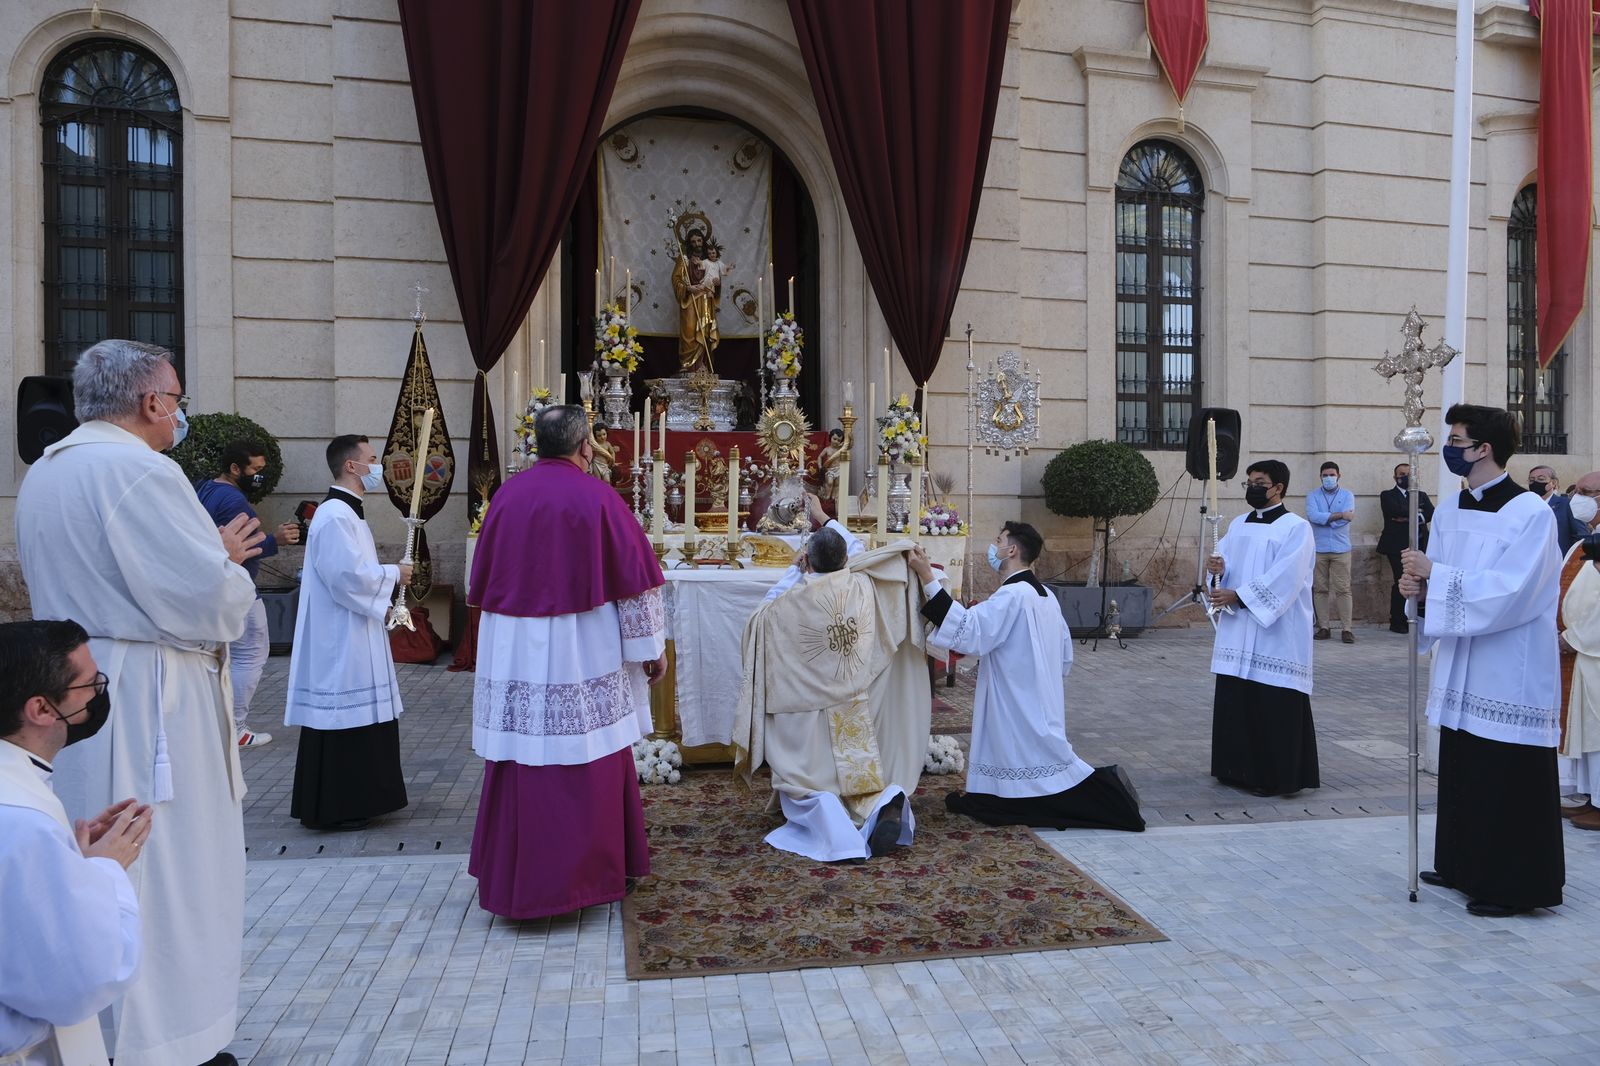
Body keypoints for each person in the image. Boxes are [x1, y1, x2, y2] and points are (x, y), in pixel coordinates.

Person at [15, 338, 261, 1066]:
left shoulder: (48, 470)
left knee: (102, 861)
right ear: (152, 402)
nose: (179, 412)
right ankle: (172, 1043)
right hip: (153, 700)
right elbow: (211, 603)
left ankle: (109, 1039)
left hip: (86, 685)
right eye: (177, 398)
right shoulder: (140, 472)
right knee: (168, 872)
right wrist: (227, 559)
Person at [467, 405, 668, 918]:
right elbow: (635, 582)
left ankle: (518, 880)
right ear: (585, 447)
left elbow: (486, 578)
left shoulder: (507, 496)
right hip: (580, 649)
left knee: (520, 756)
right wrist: (650, 651)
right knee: (587, 751)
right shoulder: (598, 496)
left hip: (515, 649)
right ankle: (579, 881)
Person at [1402, 403, 1563, 917]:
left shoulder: (1530, 514)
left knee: (1503, 773)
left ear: (1484, 449)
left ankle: (1510, 884)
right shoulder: (1449, 510)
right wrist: (1418, 589)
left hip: (1507, 665)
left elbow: (1515, 591)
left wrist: (1437, 577)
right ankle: (1460, 863)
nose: (1450, 448)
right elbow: (1436, 579)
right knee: (1464, 766)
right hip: (1462, 662)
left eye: (1457, 440)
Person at [910, 523, 1144, 831]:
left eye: (998, 541)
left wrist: (927, 576)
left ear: (1012, 550)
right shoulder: (1045, 594)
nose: (993, 547)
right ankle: (993, 796)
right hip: (1038, 693)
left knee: (1022, 755)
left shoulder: (1012, 596)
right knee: (1029, 758)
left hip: (1015, 695)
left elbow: (968, 632)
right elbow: (1064, 655)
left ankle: (1102, 796)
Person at [735, 495, 929, 860]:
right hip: (856, 703)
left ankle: (837, 835)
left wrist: (797, 571)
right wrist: (826, 519)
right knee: (862, 778)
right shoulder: (866, 584)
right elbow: (855, 547)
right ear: (845, 561)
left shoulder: (786, 604)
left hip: (809, 710)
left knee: (809, 787)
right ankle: (883, 801)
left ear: (807, 560)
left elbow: (757, 621)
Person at [1, 619, 148, 1066]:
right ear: (43, 710)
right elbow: (79, 981)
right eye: (90, 684)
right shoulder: (23, 820)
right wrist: (103, 872)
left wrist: (71, 868)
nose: (100, 692)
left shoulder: (18, 788)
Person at [283, 435, 412, 832]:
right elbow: (345, 576)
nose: (378, 468)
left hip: (354, 628)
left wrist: (385, 603)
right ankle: (340, 804)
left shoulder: (346, 512)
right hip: (340, 638)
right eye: (372, 460)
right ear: (351, 467)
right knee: (343, 719)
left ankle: (363, 798)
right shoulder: (336, 515)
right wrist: (394, 574)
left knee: (358, 719)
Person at [1206, 460, 1320, 797]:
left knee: (1271, 703)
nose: (1252, 488)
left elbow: (1287, 577)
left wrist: (1238, 596)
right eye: (1248, 483)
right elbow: (1221, 574)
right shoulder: (1239, 525)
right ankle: (1234, 769)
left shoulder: (1296, 528)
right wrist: (1217, 571)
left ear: (1278, 488)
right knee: (1238, 701)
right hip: (1239, 632)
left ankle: (1274, 776)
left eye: (1259, 482)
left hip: (1276, 635)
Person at [194, 437, 301, 749]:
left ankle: (220, 725)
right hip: (238, 590)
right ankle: (236, 728)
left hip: (215, 588)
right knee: (251, 654)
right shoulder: (234, 502)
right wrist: (276, 539)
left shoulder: (206, 488)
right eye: (255, 469)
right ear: (234, 468)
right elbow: (246, 549)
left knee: (224, 658)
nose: (260, 476)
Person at [1555, 473, 1600, 823]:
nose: (1577, 499)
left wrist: (1574, 637)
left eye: (1584, 493)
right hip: (1582, 656)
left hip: (1592, 650)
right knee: (1586, 728)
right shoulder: (1586, 541)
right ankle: (1590, 795)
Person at [1377, 463, 1434, 634]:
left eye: (1409, 474)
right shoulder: (1387, 495)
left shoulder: (1421, 495)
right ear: (1395, 477)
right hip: (1395, 546)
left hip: (1419, 545)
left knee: (1417, 581)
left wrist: (1408, 518)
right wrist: (1416, 514)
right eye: (1402, 474)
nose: (1405, 477)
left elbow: (1430, 512)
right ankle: (1397, 620)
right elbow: (1394, 510)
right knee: (1401, 580)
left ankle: (1414, 618)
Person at [1306, 460, 1356, 643]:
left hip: (1341, 549)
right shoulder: (1312, 496)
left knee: (1343, 589)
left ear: (1338, 476)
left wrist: (1328, 519)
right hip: (1318, 548)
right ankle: (1324, 627)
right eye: (1325, 475)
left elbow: (1347, 518)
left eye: (1332, 475)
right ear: (1320, 477)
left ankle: (1347, 629)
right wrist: (1339, 515)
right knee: (1320, 589)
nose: (1328, 478)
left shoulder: (1347, 495)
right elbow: (1313, 517)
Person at [673, 228, 720, 374]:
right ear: (689, 243)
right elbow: (676, 279)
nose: (696, 244)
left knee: (705, 332)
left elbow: (716, 278)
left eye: (699, 240)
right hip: (690, 301)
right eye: (693, 241)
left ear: (703, 241)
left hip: (706, 300)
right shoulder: (684, 258)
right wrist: (688, 288)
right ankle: (688, 365)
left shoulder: (709, 260)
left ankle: (704, 365)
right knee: (689, 331)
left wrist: (716, 283)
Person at [1530, 465, 1588, 556]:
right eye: (1532, 480)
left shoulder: (1567, 505)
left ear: (1553, 483)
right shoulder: (1526, 506)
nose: (1535, 483)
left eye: (1541, 479)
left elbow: (1581, 536)